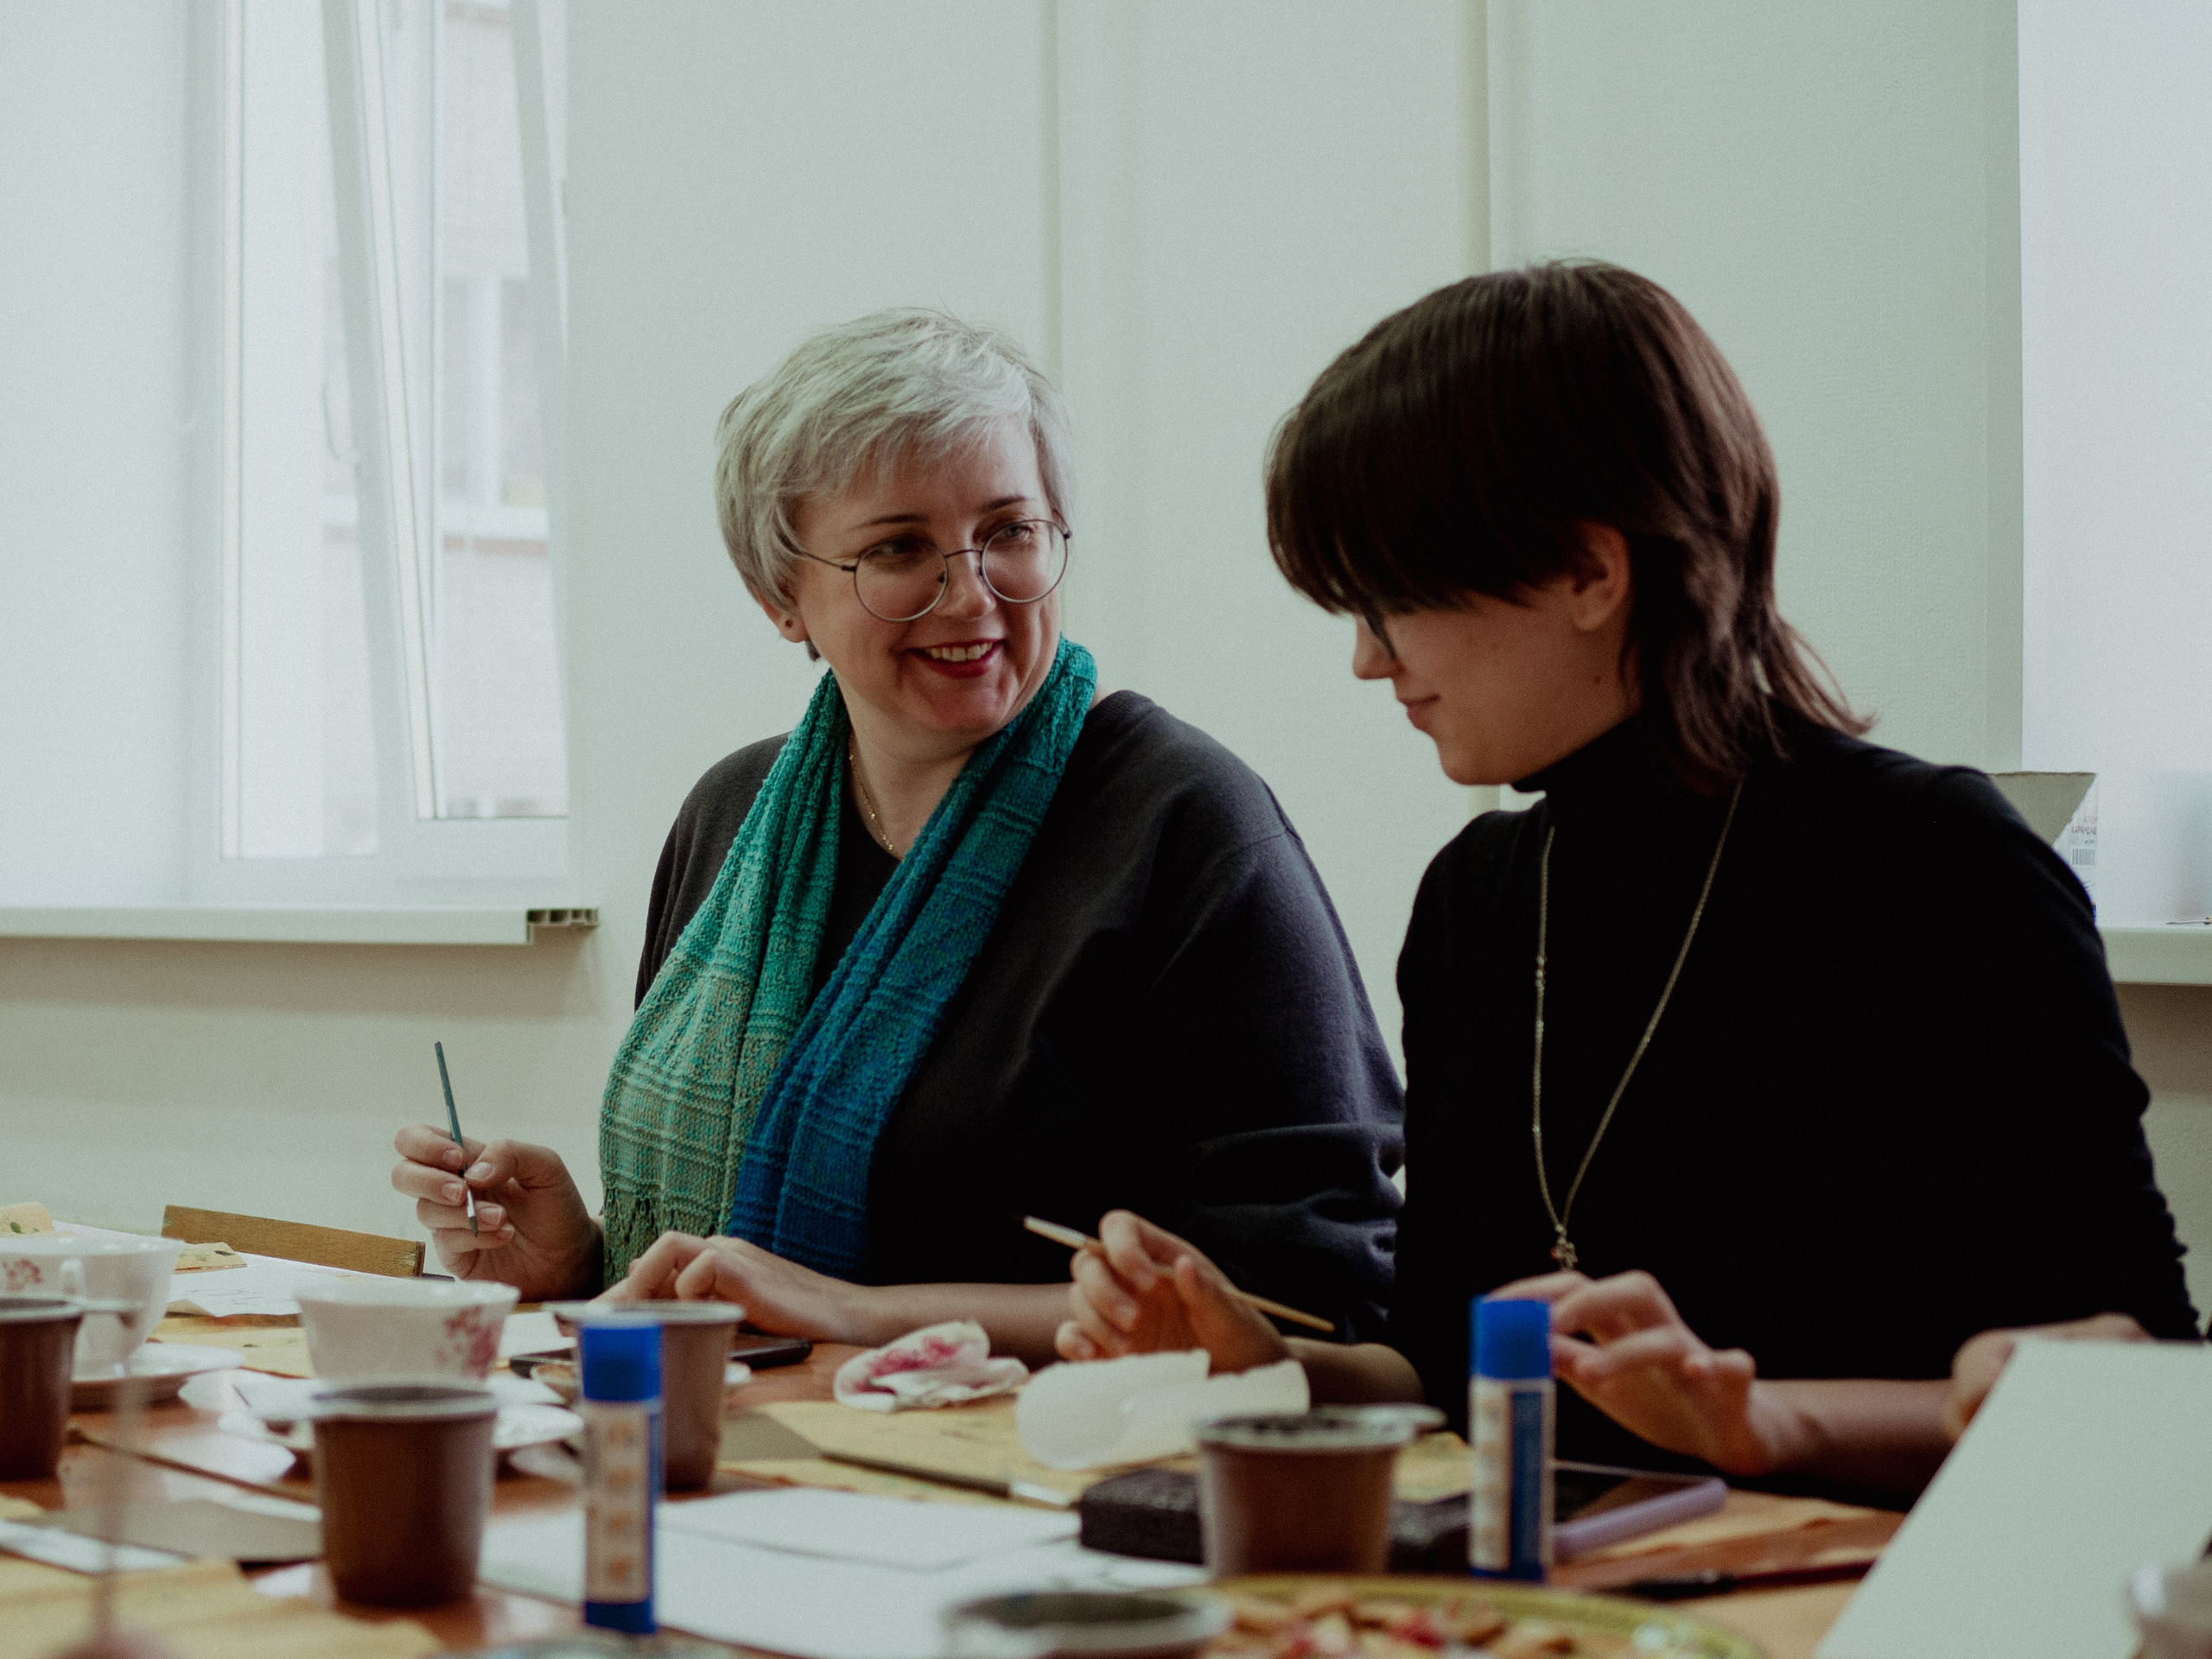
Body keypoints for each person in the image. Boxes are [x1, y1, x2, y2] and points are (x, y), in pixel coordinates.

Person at [1055, 262, 2200, 1497]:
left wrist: (1766, 1425)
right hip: (1549, 1589)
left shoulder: (1936, 864)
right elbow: (1450, 1369)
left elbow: (2135, 1381)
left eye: (1391, 600)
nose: (1366, 661)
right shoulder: (1478, 897)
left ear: (1592, 575)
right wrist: (1258, 1361)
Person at [390, 310, 1403, 1363]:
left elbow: (1305, 1300)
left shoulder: (1185, 820)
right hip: (753, 1453)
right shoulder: (730, 818)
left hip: (1054, 1477)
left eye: (1009, 531)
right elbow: (739, 1271)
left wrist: (856, 1310)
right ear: (780, 596)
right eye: (898, 549)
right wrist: (579, 1260)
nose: (971, 594)